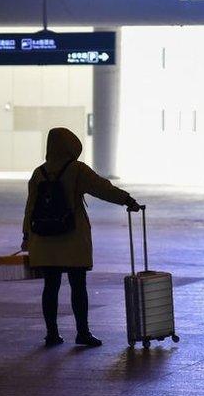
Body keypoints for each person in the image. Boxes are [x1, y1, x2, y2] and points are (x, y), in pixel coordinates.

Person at [22, 128, 140, 348]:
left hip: (44, 238)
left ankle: (52, 334)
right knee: (78, 286)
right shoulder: (76, 169)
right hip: (71, 237)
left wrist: (26, 235)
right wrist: (127, 200)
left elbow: (30, 207)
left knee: (51, 286)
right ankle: (82, 333)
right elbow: (103, 189)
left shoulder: (39, 173)